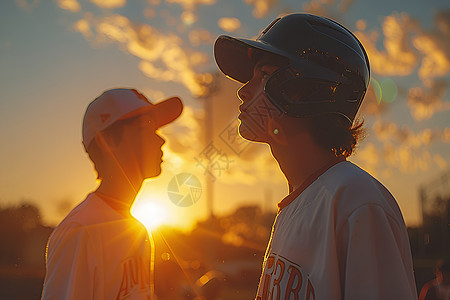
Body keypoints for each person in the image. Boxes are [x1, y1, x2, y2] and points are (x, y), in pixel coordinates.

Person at [214, 13, 417, 299]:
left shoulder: (356, 201)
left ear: (307, 90)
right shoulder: (297, 204)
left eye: (263, 75)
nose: (244, 91)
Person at [41, 88, 183, 300]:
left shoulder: (139, 231)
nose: (161, 140)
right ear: (106, 142)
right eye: (147, 126)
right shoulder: (80, 230)